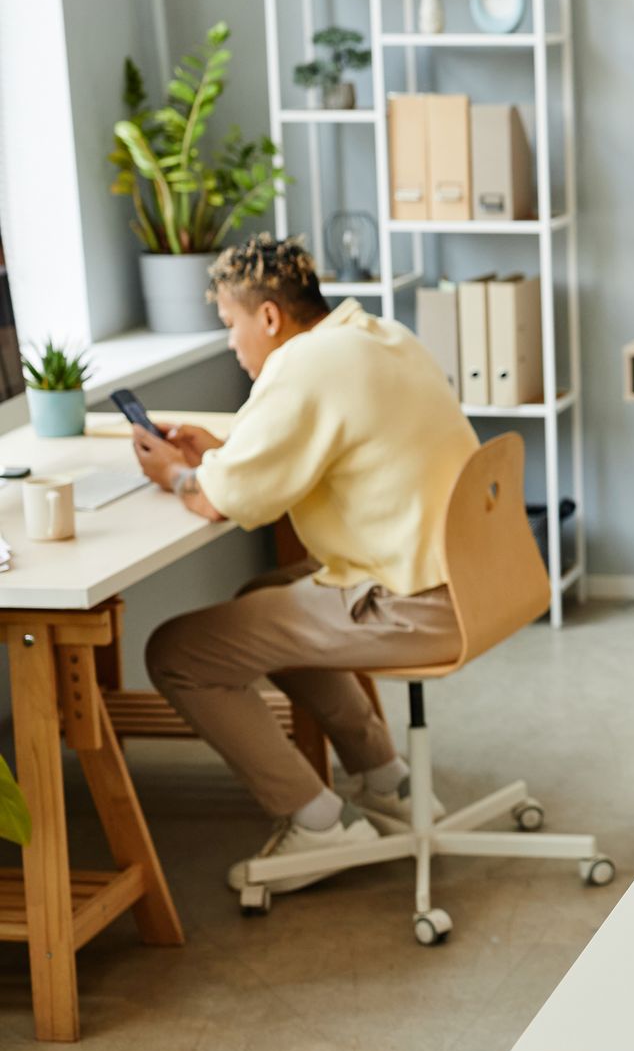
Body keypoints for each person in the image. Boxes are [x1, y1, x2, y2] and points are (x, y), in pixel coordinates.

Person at [131, 235, 478, 892]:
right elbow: (311, 437)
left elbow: (216, 502)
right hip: (466, 581)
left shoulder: (305, 366)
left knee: (177, 652)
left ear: (268, 318)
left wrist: (177, 473)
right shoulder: (375, 335)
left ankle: (317, 823)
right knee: (263, 592)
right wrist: (224, 448)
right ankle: (387, 780)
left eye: (231, 326)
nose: (232, 345)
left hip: (413, 606)